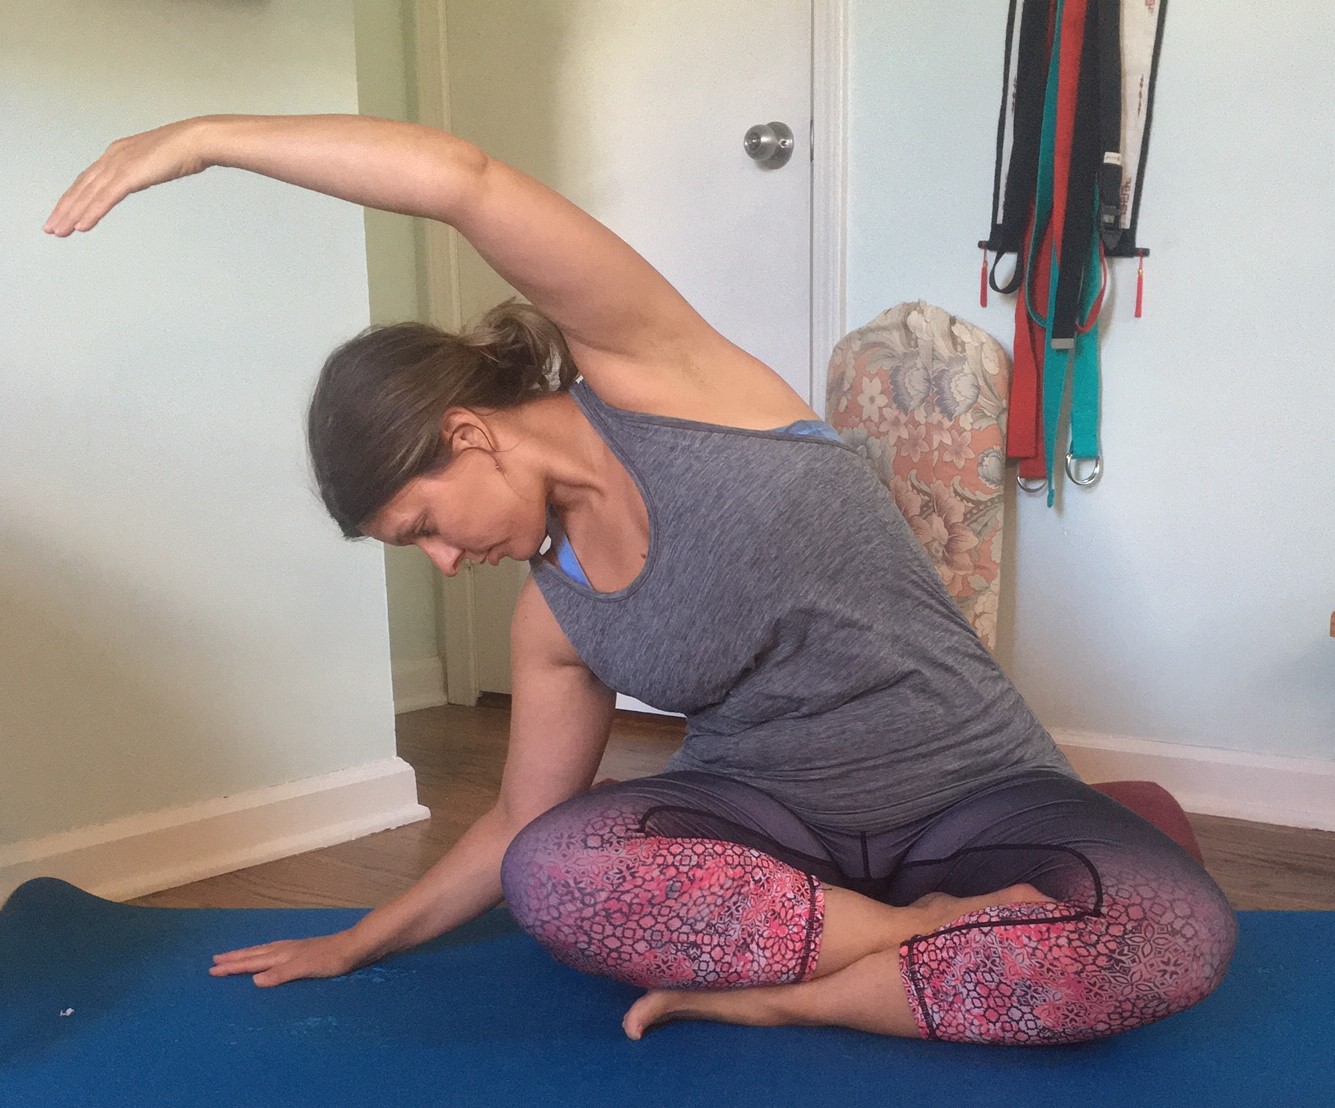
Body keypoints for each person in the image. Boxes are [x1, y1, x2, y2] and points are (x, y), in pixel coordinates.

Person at [46, 114, 1236, 1045]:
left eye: (422, 527)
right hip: (775, 836)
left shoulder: (663, 379)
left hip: (971, 793)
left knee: (1174, 936)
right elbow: (522, 821)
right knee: (553, 874)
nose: (446, 562)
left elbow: (465, 180)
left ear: (467, 433)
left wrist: (204, 141)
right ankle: (913, 946)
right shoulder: (552, 616)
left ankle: (794, 996)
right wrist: (360, 941)